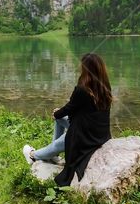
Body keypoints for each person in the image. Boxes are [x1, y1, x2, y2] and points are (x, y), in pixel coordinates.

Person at [22, 52, 113, 187]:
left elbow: (70, 108)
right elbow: (74, 109)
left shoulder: (82, 89)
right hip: (100, 133)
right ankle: (53, 156)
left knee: (61, 139)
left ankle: (33, 155)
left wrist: (57, 113)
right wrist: (59, 114)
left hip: (85, 136)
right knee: (60, 118)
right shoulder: (105, 87)